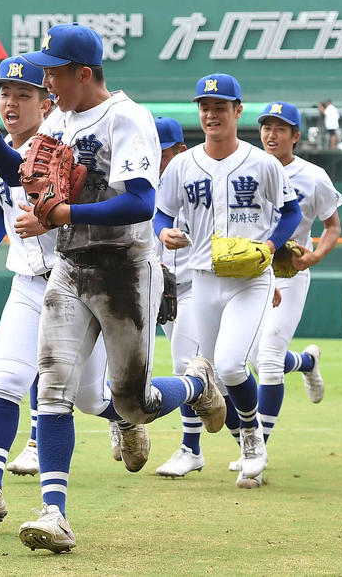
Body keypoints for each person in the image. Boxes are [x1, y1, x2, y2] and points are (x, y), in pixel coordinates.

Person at [0, 24, 226, 554]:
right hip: (69, 266)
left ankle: (196, 383)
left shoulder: (127, 118)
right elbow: (23, 177)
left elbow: (140, 202)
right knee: (53, 388)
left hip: (126, 269)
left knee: (134, 402)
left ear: (83, 74)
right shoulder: (58, 118)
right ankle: (54, 515)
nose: (47, 80)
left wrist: (64, 211)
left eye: (55, 72)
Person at [0, 55, 119, 523]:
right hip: (27, 283)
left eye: (23, 94)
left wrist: (48, 213)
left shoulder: (65, 144)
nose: (10, 102)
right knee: (6, 380)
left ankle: (123, 417)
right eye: (4, 93)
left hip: (77, 285)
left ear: (46, 103)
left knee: (90, 398)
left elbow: (45, 186)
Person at [154, 73, 303, 490]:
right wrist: (163, 233)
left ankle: (253, 440)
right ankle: (209, 446)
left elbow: (290, 211)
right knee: (204, 372)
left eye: (220, 106)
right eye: (205, 106)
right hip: (203, 279)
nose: (211, 113)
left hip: (250, 279)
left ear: (238, 111)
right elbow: (161, 213)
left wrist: (272, 246)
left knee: (231, 364)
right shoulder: (184, 165)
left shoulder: (262, 163)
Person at [239, 101, 341, 465]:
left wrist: (314, 256)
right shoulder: (246, 167)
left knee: (266, 361)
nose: (271, 134)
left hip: (291, 272)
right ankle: (306, 362)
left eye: (280, 128)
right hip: (253, 272)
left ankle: (257, 450)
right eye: (267, 126)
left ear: (295, 136)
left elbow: (333, 226)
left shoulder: (313, 176)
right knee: (250, 357)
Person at [150, 115, 208, 478]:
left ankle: (190, 449)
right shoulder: (143, 184)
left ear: (180, 150)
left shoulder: (197, 184)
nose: (154, 157)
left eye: (162, 151)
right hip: (163, 290)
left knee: (186, 365)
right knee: (210, 375)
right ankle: (248, 436)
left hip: (198, 286)